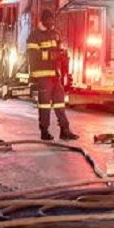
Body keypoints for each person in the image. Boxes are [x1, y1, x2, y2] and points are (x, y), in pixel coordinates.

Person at [27, 9, 79, 141]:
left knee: (60, 103)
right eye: (49, 20)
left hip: (55, 75)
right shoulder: (34, 36)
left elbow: (59, 50)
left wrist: (62, 57)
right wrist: (50, 55)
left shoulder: (55, 34)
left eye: (53, 20)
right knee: (44, 105)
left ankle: (65, 130)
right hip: (43, 75)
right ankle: (44, 131)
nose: (51, 22)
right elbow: (32, 56)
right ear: (43, 20)